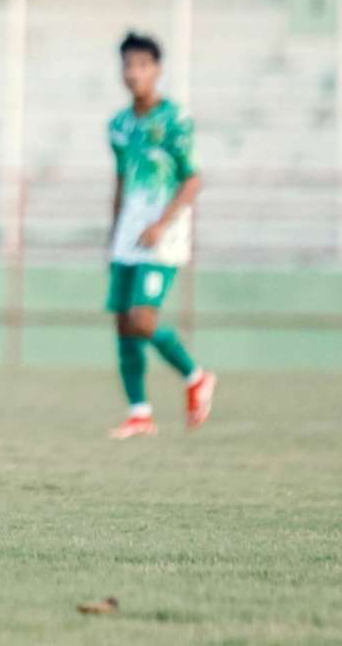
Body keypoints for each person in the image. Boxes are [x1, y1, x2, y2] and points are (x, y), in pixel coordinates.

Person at [106, 32, 216, 438]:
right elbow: (120, 180)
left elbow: (193, 179)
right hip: (126, 236)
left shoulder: (175, 120)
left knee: (141, 318)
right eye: (127, 65)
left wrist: (162, 224)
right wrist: (113, 232)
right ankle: (140, 412)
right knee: (123, 323)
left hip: (162, 236)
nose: (133, 73)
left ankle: (195, 375)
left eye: (141, 65)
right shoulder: (118, 125)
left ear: (157, 69)